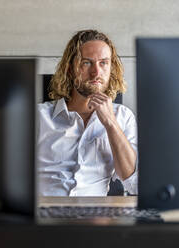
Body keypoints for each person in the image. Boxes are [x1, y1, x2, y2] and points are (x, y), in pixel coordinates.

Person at [37, 30, 137, 196]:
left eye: (103, 63)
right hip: (45, 213)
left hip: (94, 215)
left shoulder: (123, 117)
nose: (96, 73)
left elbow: (132, 183)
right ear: (70, 69)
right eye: (86, 63)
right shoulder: (40, 117)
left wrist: (110, 123)